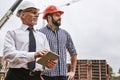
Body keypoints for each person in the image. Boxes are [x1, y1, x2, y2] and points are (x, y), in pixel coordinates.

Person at [3, 1, 56, 80]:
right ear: (23, 14)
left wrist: (48, 64)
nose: (37, 15)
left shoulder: (42, 36)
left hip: (36, 77)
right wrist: (33, 55)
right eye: (34, 12)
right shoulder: (12, 34)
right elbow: (8, 54)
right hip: (16, 76)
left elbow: (46, 59)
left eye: (37, 13)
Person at [39, 5, 77, 80]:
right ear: (49, 17)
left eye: (60, 15)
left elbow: (73, 53)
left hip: (63, 76)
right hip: (46, 76)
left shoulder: (65, 34)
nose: (60, 17)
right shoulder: (40, 33)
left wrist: (72, 71)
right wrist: (37, 74)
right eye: (57, 15)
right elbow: (35, 54)